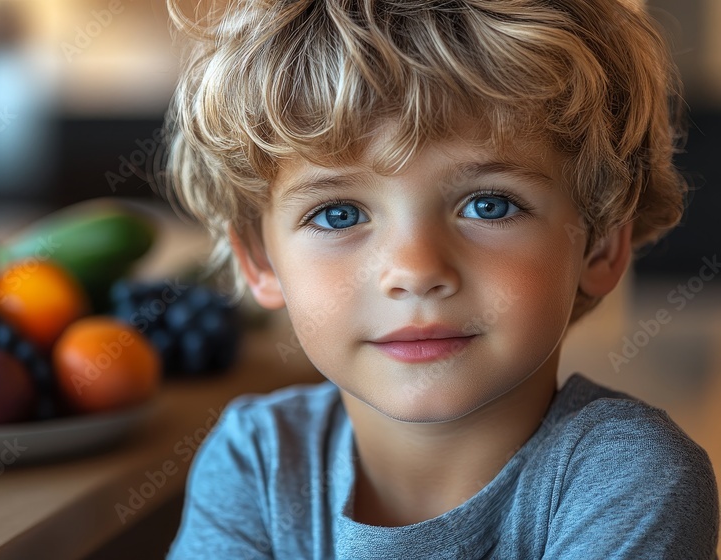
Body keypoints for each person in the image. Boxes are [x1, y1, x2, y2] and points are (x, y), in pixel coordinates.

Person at [162, 0, 720, 558]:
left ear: (599, 241)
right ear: (260, 260)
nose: (416, 271)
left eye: (488, 205)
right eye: (339, 214)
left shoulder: (629, 481)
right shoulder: (255, 462)